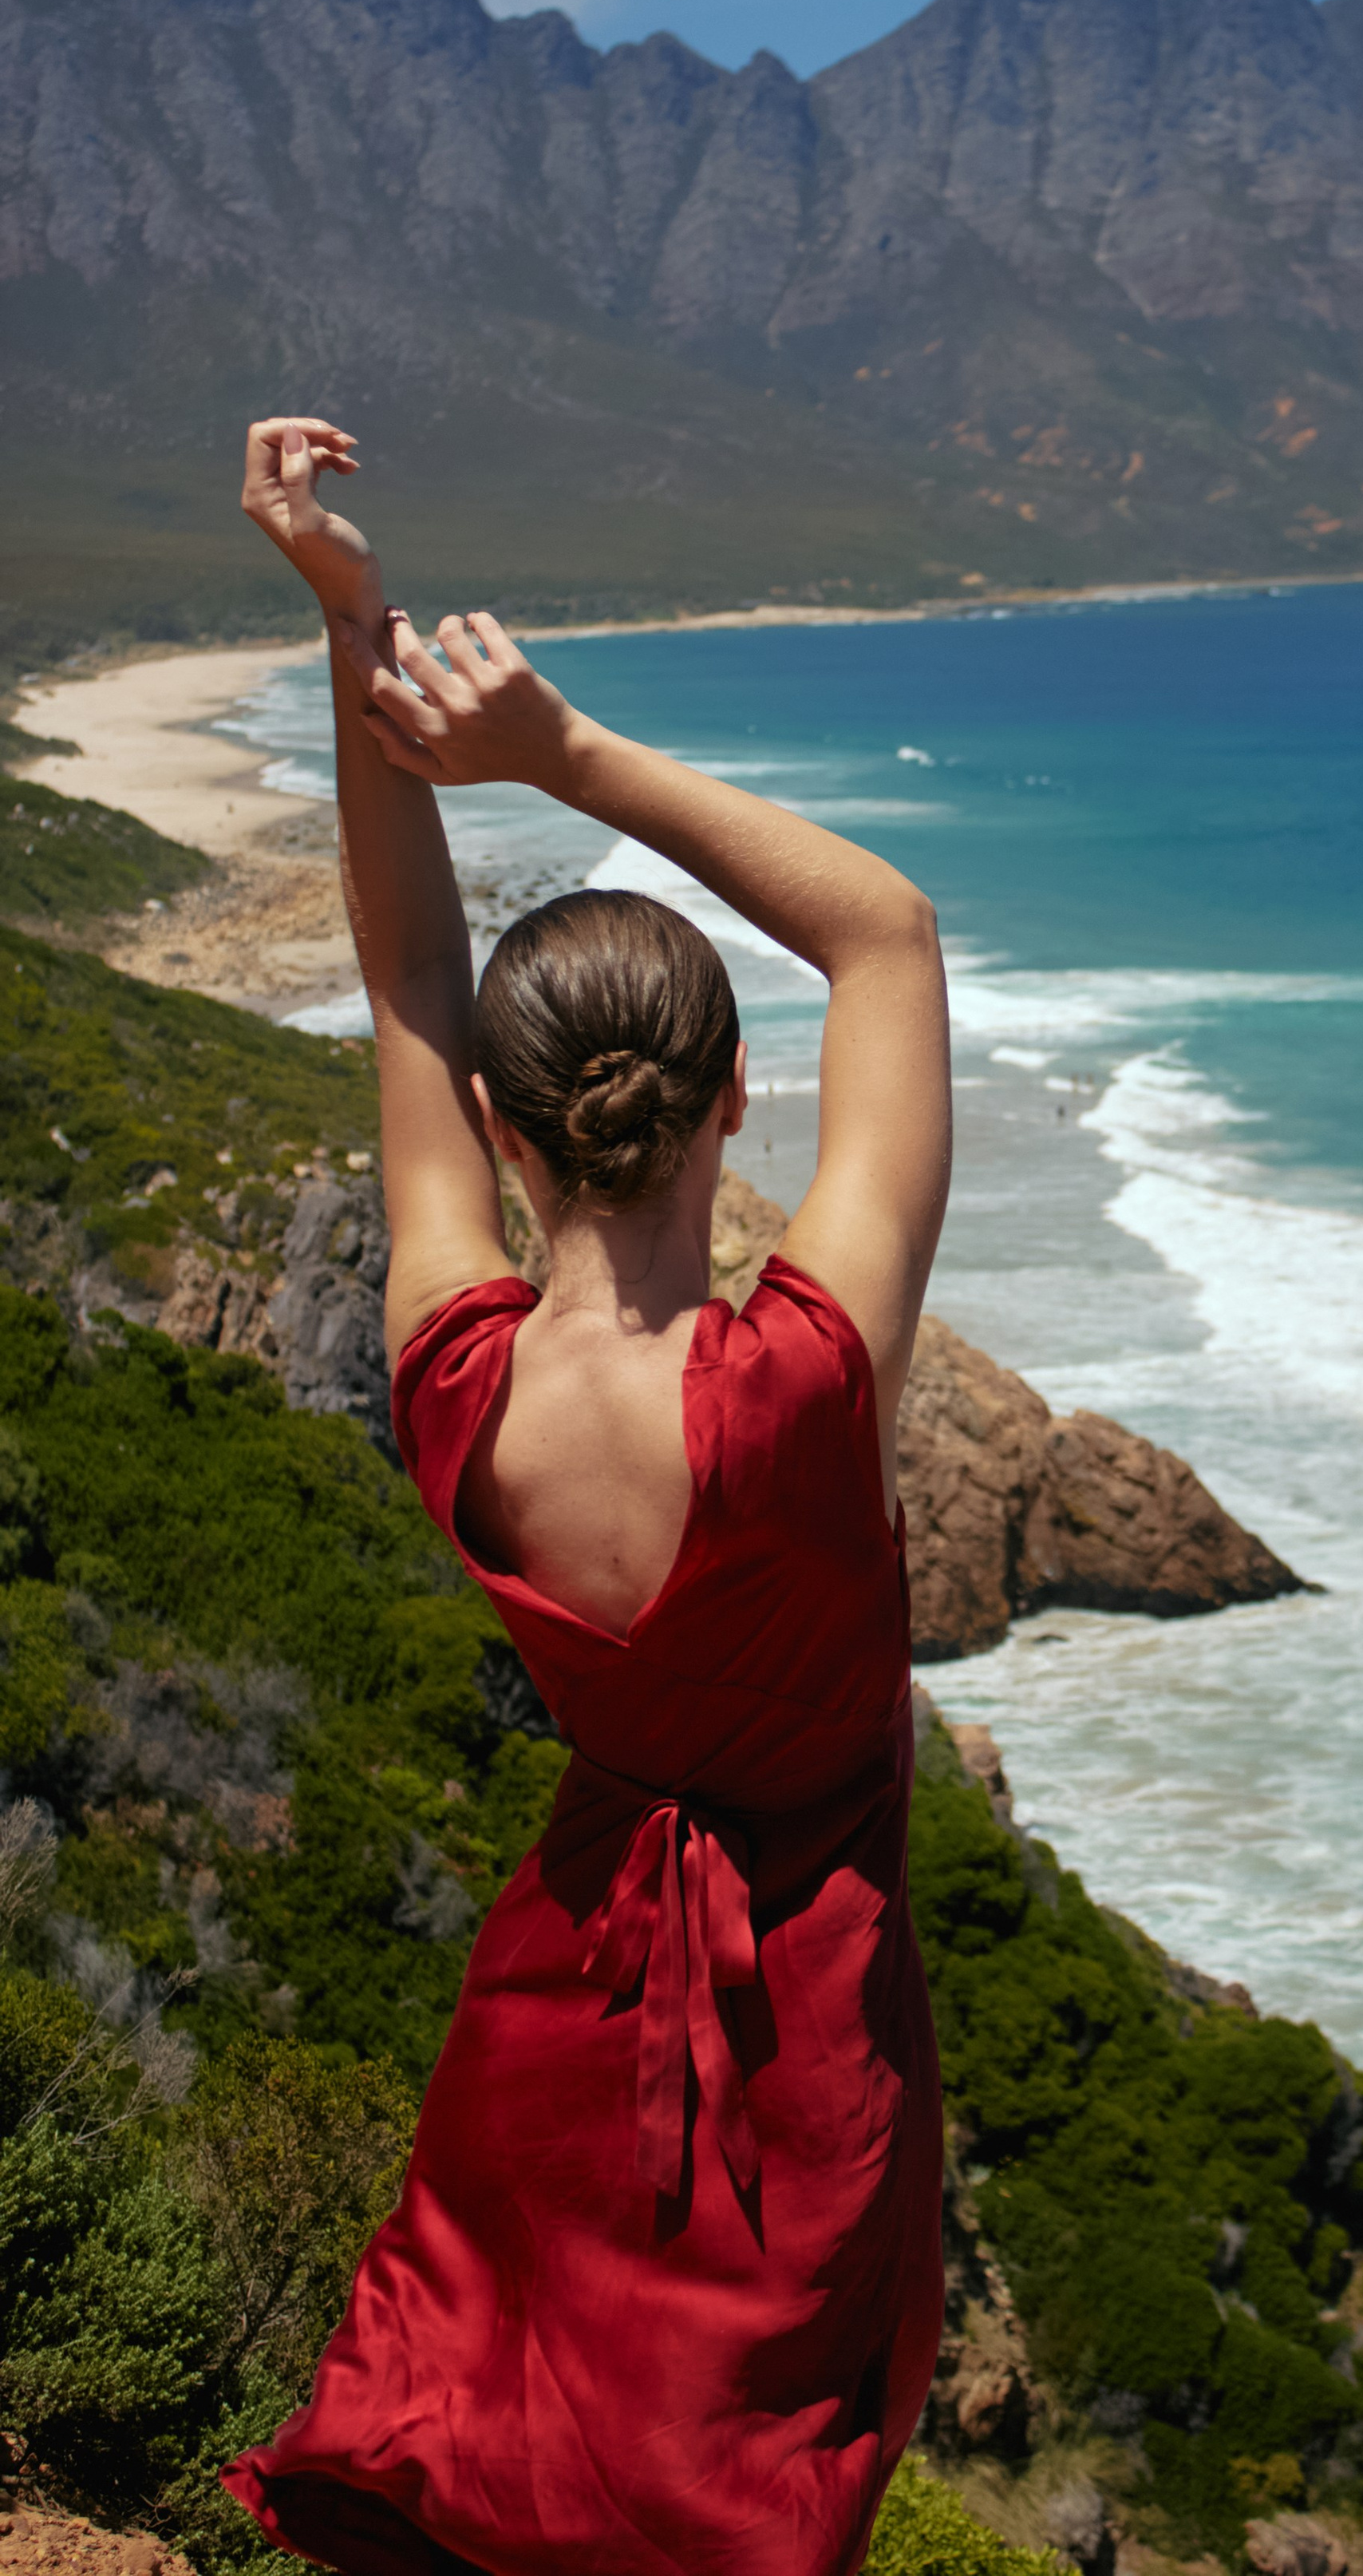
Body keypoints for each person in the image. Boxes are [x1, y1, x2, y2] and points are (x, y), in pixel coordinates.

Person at [219, 419, 952, 2576]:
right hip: (803, 2056)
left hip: (557, 2017)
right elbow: (891, 937)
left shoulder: (455, 1375)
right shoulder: (808, 1385)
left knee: (493, 2460)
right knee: (749, 2501)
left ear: (511, 1140)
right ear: (738, 1100)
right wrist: (560, 753)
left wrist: (350, 620)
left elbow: (408, 982)